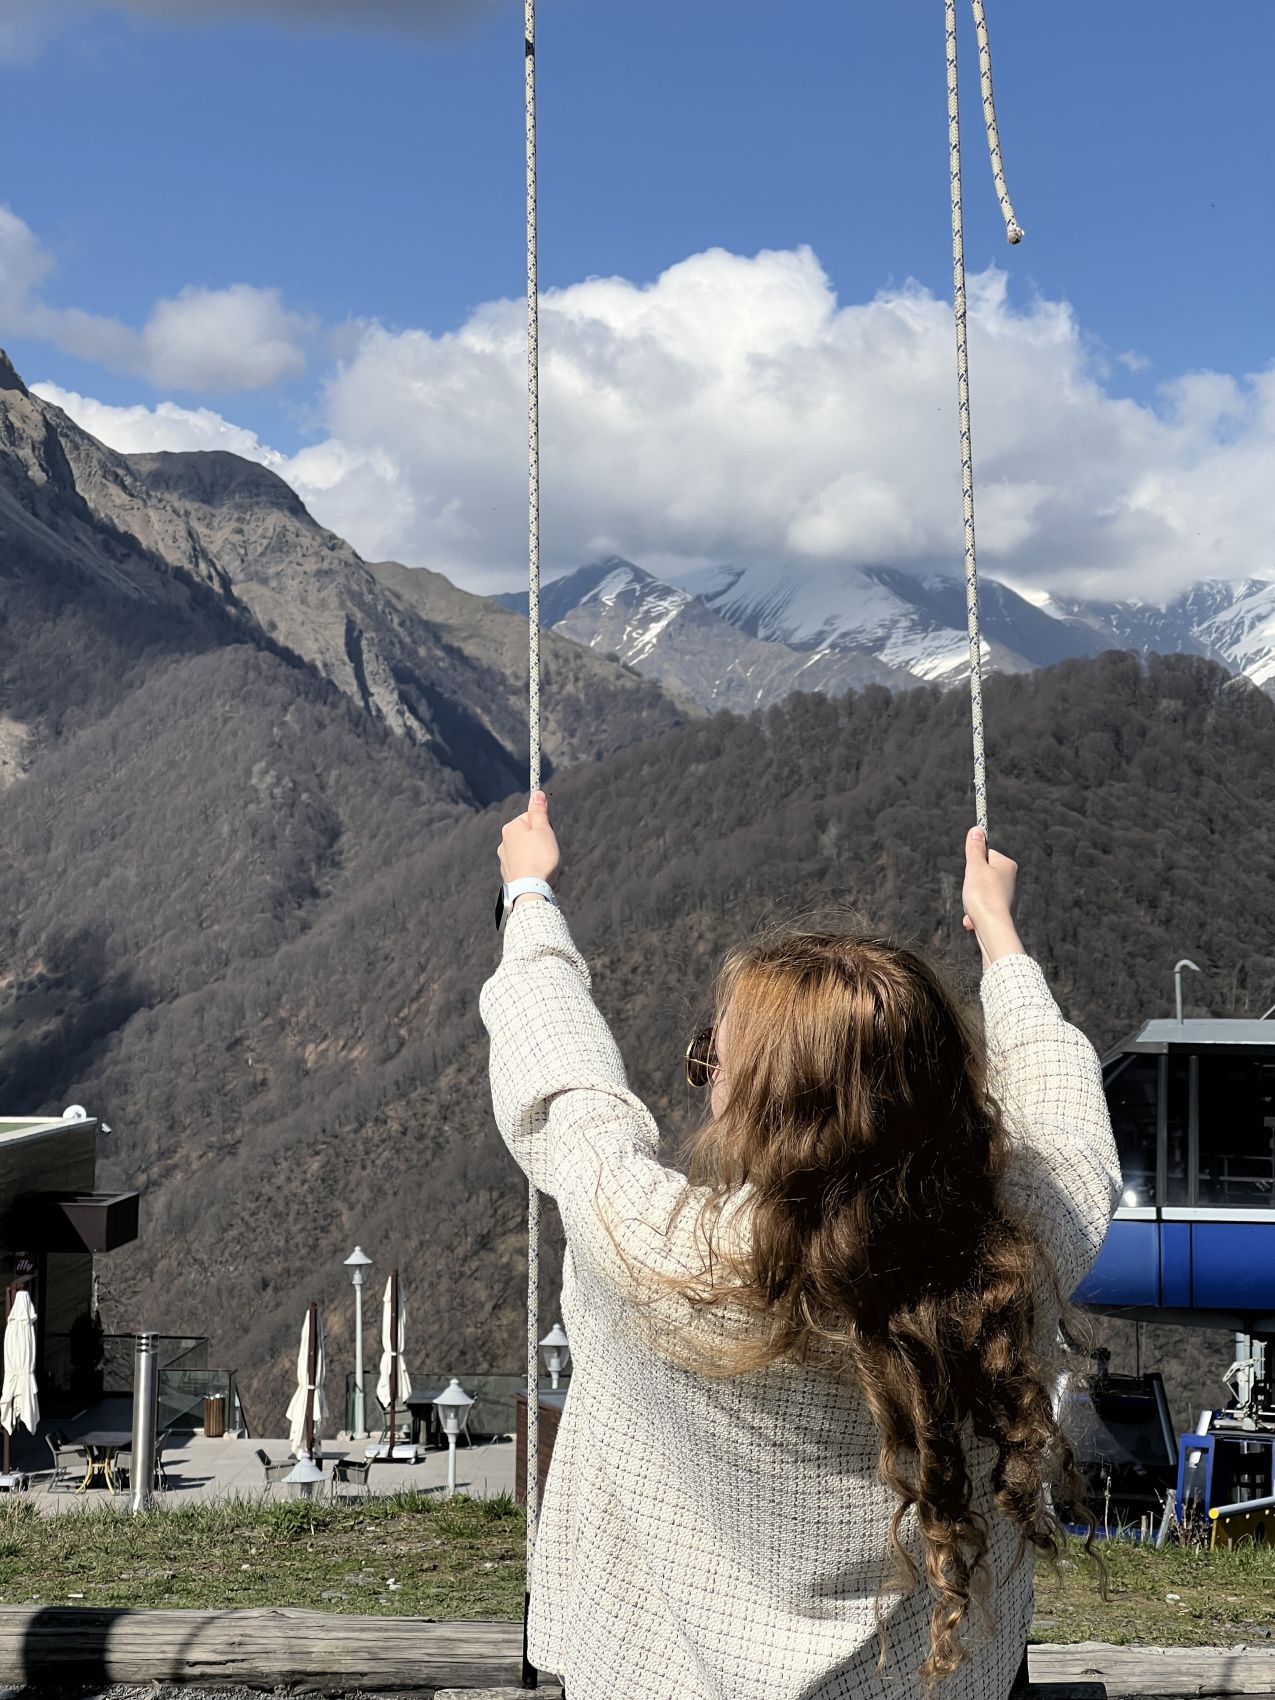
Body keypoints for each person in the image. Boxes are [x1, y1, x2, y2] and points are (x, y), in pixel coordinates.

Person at [481, 791, 1119, 1700]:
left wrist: (529, 899)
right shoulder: (1011, 1255)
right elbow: (1064, 1115)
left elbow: (564, 1087)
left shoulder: (658, 1253)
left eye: (715, 1063)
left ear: (762, 1111)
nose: (708, 1076)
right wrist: (998, 939)